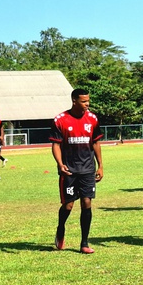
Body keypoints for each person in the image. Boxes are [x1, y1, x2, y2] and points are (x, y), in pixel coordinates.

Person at [50, 88, 104, 254]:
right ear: (74, 101)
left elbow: (95, 143)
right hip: (69, 170)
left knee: (87, 202)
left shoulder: (92, 118)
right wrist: (60, 164)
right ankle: (60, 229)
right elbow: (56, 144)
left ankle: (84, 243)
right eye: (83, 101)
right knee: (68, 205)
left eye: (88, 101)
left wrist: (100, 165)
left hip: (87, 168)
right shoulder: (60, 120)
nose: (87, 104)